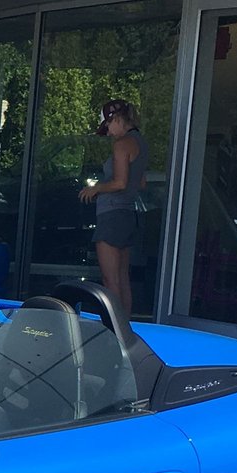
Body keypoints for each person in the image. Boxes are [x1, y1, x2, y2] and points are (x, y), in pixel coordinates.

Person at [79, 98, 147, 315]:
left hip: (112, 215)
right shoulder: (140, 142)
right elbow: (141, 182)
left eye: (107, 126)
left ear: (116, 119)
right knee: (122, 277)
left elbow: (120, 182)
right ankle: (125, 327)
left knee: (110, 280)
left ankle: (113, 330)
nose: (108, 132)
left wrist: (96, 188)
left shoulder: (122, 143)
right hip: (129, 213)